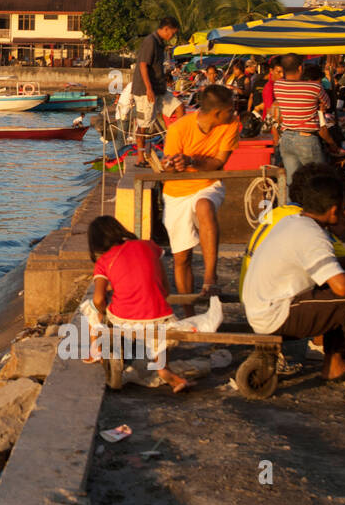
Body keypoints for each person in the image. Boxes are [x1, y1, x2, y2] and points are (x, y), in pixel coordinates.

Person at [241, 162, 345, 408]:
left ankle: (334, 365)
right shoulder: (312, 234)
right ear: (335, 210)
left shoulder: (296, 222)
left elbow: (327, 268)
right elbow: (340, 286)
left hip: (267, 308)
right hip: (274, 314)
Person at [85, 216, 190, 393]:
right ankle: (162, 367)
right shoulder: (149, 246)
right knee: (157, 326)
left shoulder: (104, 262)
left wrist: (102, 311)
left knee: (90, 307)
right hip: (160, 317)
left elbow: (98, 299)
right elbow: (165, 290)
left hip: (125, 319)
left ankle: (96, 351)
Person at [161, 84, 242, 296]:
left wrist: (190, 161)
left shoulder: (231, 125)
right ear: (217, 113)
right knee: (181, 258)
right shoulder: (178, 128)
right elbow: (168, 169)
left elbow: (217, 163)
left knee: (204, 206)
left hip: (208, 183)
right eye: (230, 109)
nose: (233, 113)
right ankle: (189, 312)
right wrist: (172, 165)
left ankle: (209, 278)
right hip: (176, 192)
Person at [270, 53, 330, 185]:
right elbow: (327, 104)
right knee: (318, 181)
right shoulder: (315, 87)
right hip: (306, 138)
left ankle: (292, 205)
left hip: (286, 138)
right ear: (300, 68)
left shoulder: (278, 85)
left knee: (292, 183)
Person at [131, 17, 180, 167]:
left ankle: (177, 147)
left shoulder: (160, 43)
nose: (172, 36)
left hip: (160, 89)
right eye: (172, 33)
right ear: (166, 29)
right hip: (146, 90)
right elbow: (143, 66)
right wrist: (149, 89)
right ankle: (140, 158)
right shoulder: (150, 41)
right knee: (144, 125)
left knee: (180, 108)